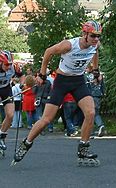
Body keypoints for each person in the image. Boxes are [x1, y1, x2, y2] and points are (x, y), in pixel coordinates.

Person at [13, 20, 102, 166]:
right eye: (93, 35)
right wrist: (42, 74)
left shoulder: (94, 45)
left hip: (78, 81)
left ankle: (83, 148)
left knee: (90, 113)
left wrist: (96, 70)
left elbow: (95, 53)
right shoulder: (69, 45)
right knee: (46, 119)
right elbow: (48, 51)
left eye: (98, 36)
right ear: (84, 34)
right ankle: (26, 143)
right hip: (62, 81)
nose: (96, 39)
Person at [0, 50, 23, 152]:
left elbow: (21, 76)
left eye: (10, 64)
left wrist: (22, 85)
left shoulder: (13, 67)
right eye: (6, 65)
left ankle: (1, 136)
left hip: (6, 89)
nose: (9, 67)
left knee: (10, 115)